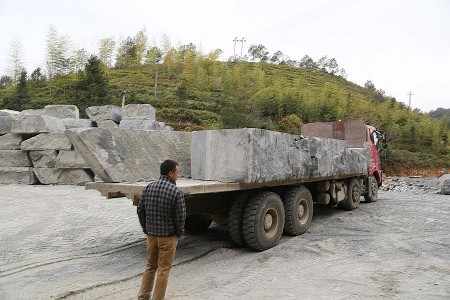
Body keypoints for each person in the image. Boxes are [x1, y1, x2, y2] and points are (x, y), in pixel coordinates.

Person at [137, 159, 186, 300]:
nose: (179, 175)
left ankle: (143, 296)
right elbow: (181, 217)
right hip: (168, 236)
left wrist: (146, 228)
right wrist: (178, 233)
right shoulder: (176, 192)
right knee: (163, 270)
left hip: (151, 235)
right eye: (178, 172)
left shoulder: (148, 188)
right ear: (170, 173)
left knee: (150, 266)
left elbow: (140, 210)